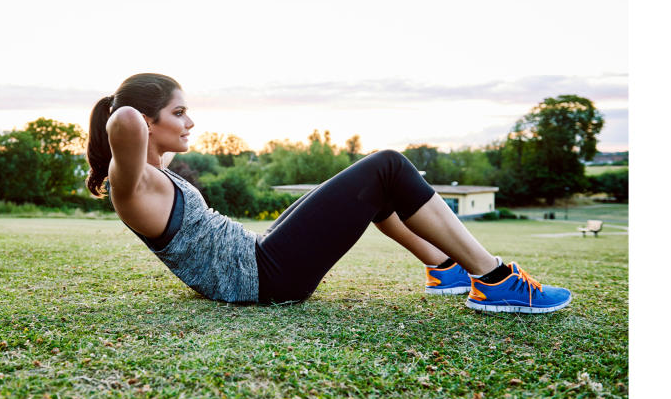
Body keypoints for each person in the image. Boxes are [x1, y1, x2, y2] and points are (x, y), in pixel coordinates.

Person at [86, 73, 571, 314]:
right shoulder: (131, 185)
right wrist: (123, 103)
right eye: (179, 112)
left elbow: (139, 130)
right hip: (264, 278)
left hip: (258, 261)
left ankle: (444, 269)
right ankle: (496, 279)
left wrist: (153, 117)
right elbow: (124, 120)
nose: (190, 122)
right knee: (388, 165)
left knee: (372, 190)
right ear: (146, 122)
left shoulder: (153, 171)